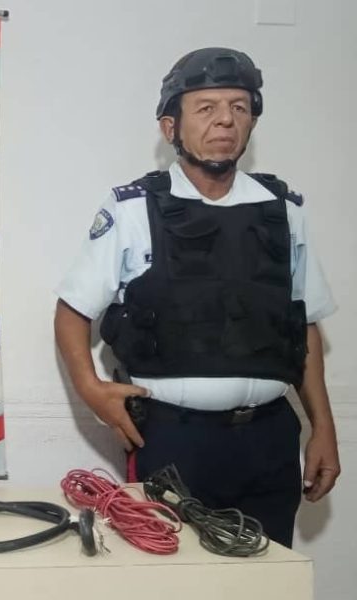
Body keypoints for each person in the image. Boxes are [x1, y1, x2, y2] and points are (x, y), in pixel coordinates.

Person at [54, 48, 340, 546]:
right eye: (206, 108)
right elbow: (72, 310)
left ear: (252, 122)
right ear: (171, 127)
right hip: (173, 440)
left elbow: (303, 326)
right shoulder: (133, 209)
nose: (225, 120)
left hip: (269, 439)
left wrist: (324, 428)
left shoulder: (283, 211)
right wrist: (91, 389)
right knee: (173, 576)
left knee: (268, 576)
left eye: (239, 107)